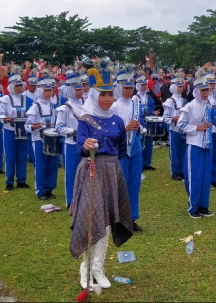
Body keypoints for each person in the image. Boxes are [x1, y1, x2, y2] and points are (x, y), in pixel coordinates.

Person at [69, 60, 133, 290]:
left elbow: (123, 149)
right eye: (102, 95)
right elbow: (79, 148)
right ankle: (85, 269)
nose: (107, 100)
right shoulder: (85, 120)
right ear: (95, 95)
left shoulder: (117, 120)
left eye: (110, 95)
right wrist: (86, 145)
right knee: (90, 219)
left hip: (112, 173)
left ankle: (99, 267)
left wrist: (112, 166)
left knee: (107, 222)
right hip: (91, 173)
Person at [177, 65, 216, 219]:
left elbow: (210, 124)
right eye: (203, 90)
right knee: (194, 176)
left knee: (206, 176)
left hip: (207, 144)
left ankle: (203, 206)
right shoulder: (190, 106)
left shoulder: (208, 106)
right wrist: (197, 128)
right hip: (194, 144)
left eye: (207, 90)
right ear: (197, 91)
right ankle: (193, 207)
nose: (206, 93)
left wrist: (210, 127)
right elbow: (181, 125)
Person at [112, 67, 144, 232]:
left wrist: (139, 128)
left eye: (131, 87)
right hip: (120, 150)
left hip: (135, 148)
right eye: (125, 87)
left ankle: (131, 218)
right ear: (119, 87)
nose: (129, 90)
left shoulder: (136, 104)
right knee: (120, 185)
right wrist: (125, 128)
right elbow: (109, 132)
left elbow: (141, 124)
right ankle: (119, 220)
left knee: (134, 184)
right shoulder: (114, 106)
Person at [25, 73, 60, 200]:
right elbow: (27, 125)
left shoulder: (53, 105)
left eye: (50, 90)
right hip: (39, 139)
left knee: (52, 164)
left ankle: (50, 188)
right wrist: (34, 126)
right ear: (41, 91)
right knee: (41, 165)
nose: (48, 93)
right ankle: (40, 190)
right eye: (46, 90)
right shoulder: (36, 106)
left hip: (52, 139)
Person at [0, 66, 29, 191]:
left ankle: (21, 180)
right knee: (10, 156)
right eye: (16, 86)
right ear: (11, 87)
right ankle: (9, 181)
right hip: (10, 131)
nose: (19, 88)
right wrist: (5, 118)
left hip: (23, 129)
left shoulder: (27, 99)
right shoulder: (5, 99)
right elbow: (0, 114)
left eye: (20, 86)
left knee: (22, 155)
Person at [55, 73, 84, 208]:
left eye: (80, 89)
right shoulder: (65, 108)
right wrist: (72, 131)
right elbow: (59, 128)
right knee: (71, 174)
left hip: (85, 144)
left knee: (85, 173)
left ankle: (83, 200)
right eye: (77, 90)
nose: (80, 92)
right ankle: (71, 202)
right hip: (71, 144)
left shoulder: (86, 104)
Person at [163, 74, 187, 181]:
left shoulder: (184, 100)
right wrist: (173, 118)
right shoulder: (170, 101)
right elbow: (165, 117)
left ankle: (182, 170)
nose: (181, 88)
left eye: (182, 86)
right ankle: (175, 171)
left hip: (183, 128)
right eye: (179, 86)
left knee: (183, 149)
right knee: (175, 150)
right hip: (174, 128)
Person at [135, 73, 159, 170]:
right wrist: (149, 112)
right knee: (140, 143)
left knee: (149, 143)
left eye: (145, 85)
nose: (145, 86)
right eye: (143, 85)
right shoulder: (135, 97)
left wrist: (154, 112)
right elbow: (136, 111)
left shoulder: (149, 97)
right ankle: (140, 164)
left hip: (149, 123)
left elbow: (152, 107)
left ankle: (147, 163)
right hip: (140, 123)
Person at [22, 71, 38, 164]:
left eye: (35, 85)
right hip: (28, 118)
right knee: (28, 138)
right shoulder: (24, 95)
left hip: (37, 118)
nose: (33, 87)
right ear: (28, 84)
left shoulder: (38, 94)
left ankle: (33, 155)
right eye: (32, 85)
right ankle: (29, 155)